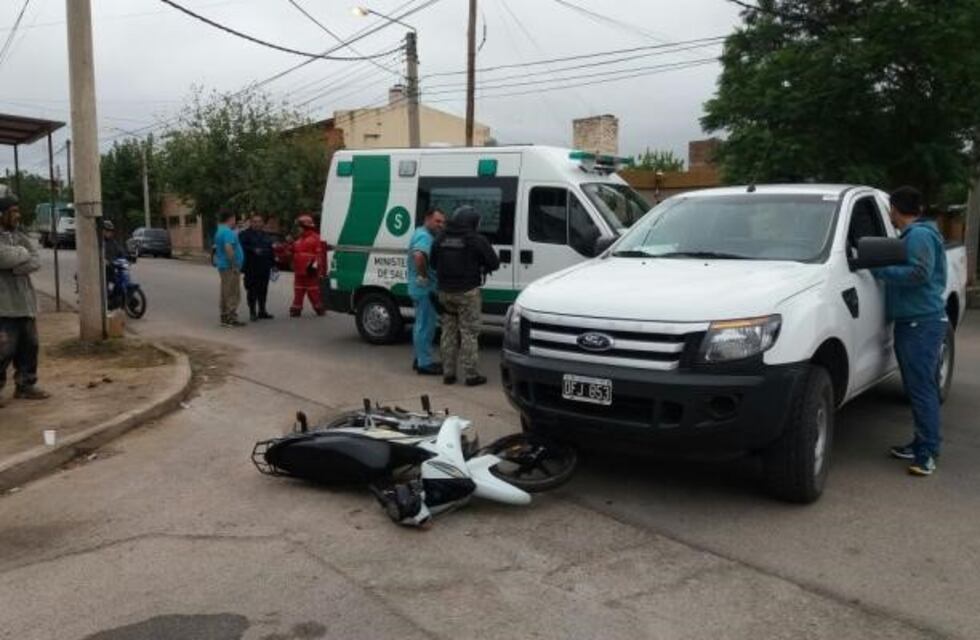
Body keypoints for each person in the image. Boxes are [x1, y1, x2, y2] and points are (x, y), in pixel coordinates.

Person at [873, 186, 948, 477]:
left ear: (894, 209)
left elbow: (919, 273)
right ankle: (920, 444)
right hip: (917, 322)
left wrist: (880, 271)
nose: (890, 214)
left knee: (922, 389)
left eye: (890, 210)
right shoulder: (916, 235)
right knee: (919, 387)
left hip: (921, 323)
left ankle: (927, 453)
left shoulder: (918, 236)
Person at [430, 205, 500, 386]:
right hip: (467, 293)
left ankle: (448, 373)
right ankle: (471, 375)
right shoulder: (476, 239)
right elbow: (494, 263)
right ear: (472, 222)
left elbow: (433, 263)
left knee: (448, 332)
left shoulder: (441, 237)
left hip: (445, 293)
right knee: (469, 333)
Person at [0, 194, 50, 407]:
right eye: (13, 211)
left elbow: (36, 260)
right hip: (4, 306)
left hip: (25, 303)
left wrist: (15, 267)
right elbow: (3, 258)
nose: (17, 215)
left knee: (30, 347)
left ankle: (25, 385)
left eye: (17, 211)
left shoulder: (19, 236)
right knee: (4, 350)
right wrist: (22, 255)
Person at [407, 208, 446, 375]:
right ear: (427, 219)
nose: (441, 225)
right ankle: (425, 363)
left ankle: (420, 358)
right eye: (437, 221)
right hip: (425, 290)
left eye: (442, 222)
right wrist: (423, 276)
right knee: (425, 326)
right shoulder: (424, 236)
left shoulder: (420, 232)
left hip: (420, 289)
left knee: (421, 325)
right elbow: (419, 256)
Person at [239, 213, 275, 322]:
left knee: (263, 290)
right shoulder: (245, 234)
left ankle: (262, 311)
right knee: (252, 291)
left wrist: (273, 265)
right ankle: (252, 312)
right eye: (254, 221)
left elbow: (271, 250)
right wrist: (253, 249)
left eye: (259, 221)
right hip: (251, 267)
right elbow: (241, 246)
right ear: (251, 222)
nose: (257, 224)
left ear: (262, 223)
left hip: (264, 267)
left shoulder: (266, 235)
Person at [289, 214, 327, 317]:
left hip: (310, 271)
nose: (297, 229)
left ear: (305, 226)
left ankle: (319, 308)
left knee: (313, 291)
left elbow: (319, 255)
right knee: (298, 290)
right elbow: (292, 251)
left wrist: (314, 268)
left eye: (299, 227)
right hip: (299, 271)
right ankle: (296, 309)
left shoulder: (316, 238)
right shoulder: (298, 240)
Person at [213, 208, 245, 327]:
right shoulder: (227, 232)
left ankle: (225, 315)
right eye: (234, 219)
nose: (235, 221)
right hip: (229, 267)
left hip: (223, 266)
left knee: (225, 291)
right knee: (232, 292)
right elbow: (228, 248)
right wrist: (234, 264)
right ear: (231, 218)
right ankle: (230, 317)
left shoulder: (220, 230)